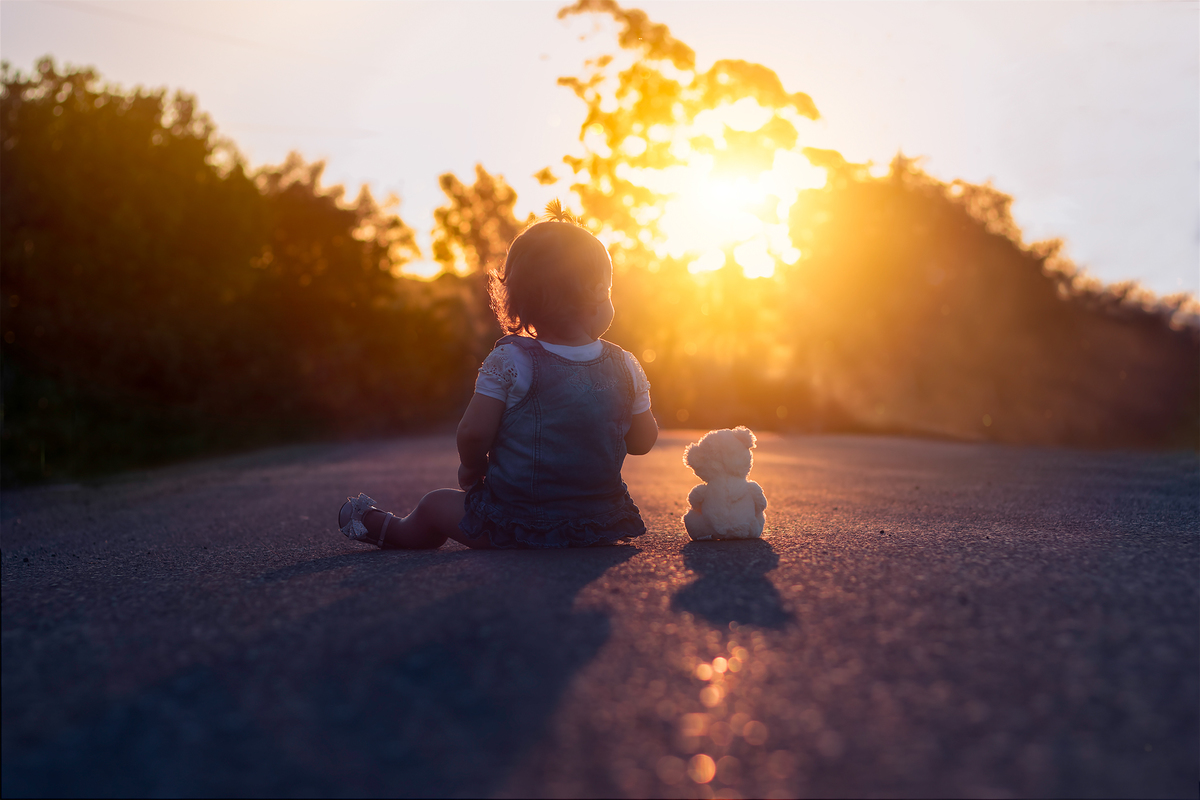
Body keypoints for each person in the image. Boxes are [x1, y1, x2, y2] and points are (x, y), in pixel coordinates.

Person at [338, 209, 658, 549]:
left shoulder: (512, 360)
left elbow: (474, 432)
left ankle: (396, 531)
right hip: (598, 522)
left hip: (516, 522)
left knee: (434, 504)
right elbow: (642, 441)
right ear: (597, 294)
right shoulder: (625, 365)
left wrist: (472, 468)